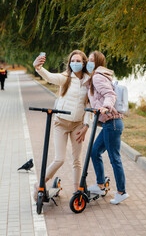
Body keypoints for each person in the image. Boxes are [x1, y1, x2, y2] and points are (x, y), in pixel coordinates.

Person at [33, 50, 90, 200]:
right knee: (60, 158)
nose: (75, 63)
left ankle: (77, 191)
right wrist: (38, 68)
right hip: (61, 123)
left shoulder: (88, 81)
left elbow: (89, 106)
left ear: (84, 63)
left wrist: (86, 126)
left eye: (78, 61)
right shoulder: (65, 78)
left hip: (78, 125)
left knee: (77, 160)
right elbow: (50, 77)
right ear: (69, 63)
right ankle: (40, 183)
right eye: (73, 60)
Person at [86, 51, 129, 204]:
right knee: (95, 151)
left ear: (98, 63)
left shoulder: (97, 77)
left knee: (114, 158)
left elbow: (110, 95)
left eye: (92, 60)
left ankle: (121, 192)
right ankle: (100, 184)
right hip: (108, 124)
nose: (88, 62)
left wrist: (105, 107)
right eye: (88, 59)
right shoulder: (94, 77)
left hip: (112, 123)